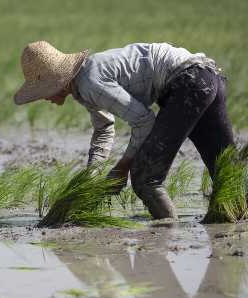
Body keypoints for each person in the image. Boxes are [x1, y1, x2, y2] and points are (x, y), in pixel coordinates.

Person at [13, 41, 236, 219]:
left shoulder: (90, 82)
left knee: (145, 178)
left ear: (56, 82)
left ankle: (167, 238)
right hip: (205, 77)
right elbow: (104, 129)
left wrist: (121, 168)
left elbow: (144, 121)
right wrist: (92, 175)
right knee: (225, 167)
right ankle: (240, 220)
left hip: (188, 84)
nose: (44, 99)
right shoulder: (83, 82)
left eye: (42, 92)